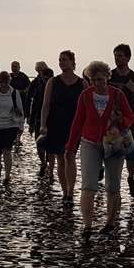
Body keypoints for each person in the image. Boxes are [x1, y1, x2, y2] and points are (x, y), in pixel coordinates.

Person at [67, 61, 134, 237]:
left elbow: (130, 117)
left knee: (113, 186)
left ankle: (110, 223)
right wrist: (71, 147)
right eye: (94, 80)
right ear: (90, 80)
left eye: (101, 79)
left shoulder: (118, 95)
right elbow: (77, 121)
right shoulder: (85, 95)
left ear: (107, 77)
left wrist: (122, 120)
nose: (98, 83)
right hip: (90, 142)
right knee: (88, 185)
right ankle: (87, 226)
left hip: (114, 143)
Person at [41, 51, 86, 205]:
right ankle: (65, 191)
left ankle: (71, 191)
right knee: (60, 158)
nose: (61, 63)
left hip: (74, 125)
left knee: (70, 156)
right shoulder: (53, 82)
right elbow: (45, 105)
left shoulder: (81, 83)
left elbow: (87, 107)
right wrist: (43, 125)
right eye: (59, 60)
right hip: (55, 124)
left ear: (72, 61)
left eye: (64, 60)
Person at [109, 44, 134, 197]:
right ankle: (113, 184)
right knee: (112, 152)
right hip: (112, 123)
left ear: (128, 57)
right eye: (116, 55)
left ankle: (130, 177)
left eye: (121, 56)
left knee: (132, 154)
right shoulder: (109, 76)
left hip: (132, 122)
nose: (118, 58)